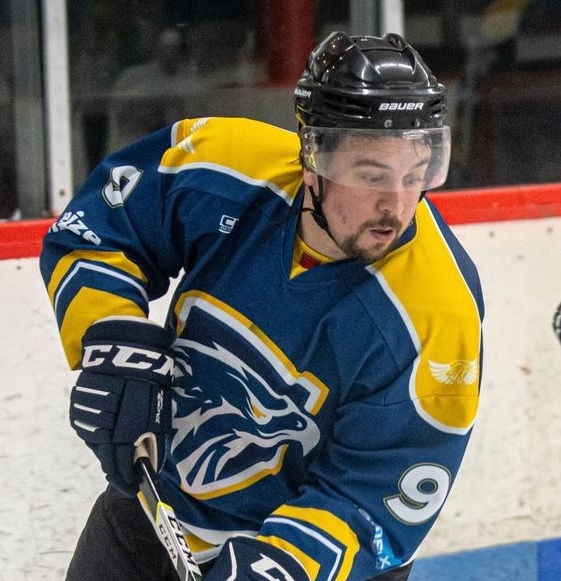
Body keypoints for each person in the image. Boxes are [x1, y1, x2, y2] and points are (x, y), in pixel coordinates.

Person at [40, 31, 484, 581]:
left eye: (415, 177)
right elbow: (98, 230)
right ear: (313, 157)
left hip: (315, 562)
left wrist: (280, 565)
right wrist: (110, 339)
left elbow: (381, 498)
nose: (396, 207)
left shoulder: (437, 312)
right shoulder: (223, 167)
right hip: (152, 514)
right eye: (371, 176)